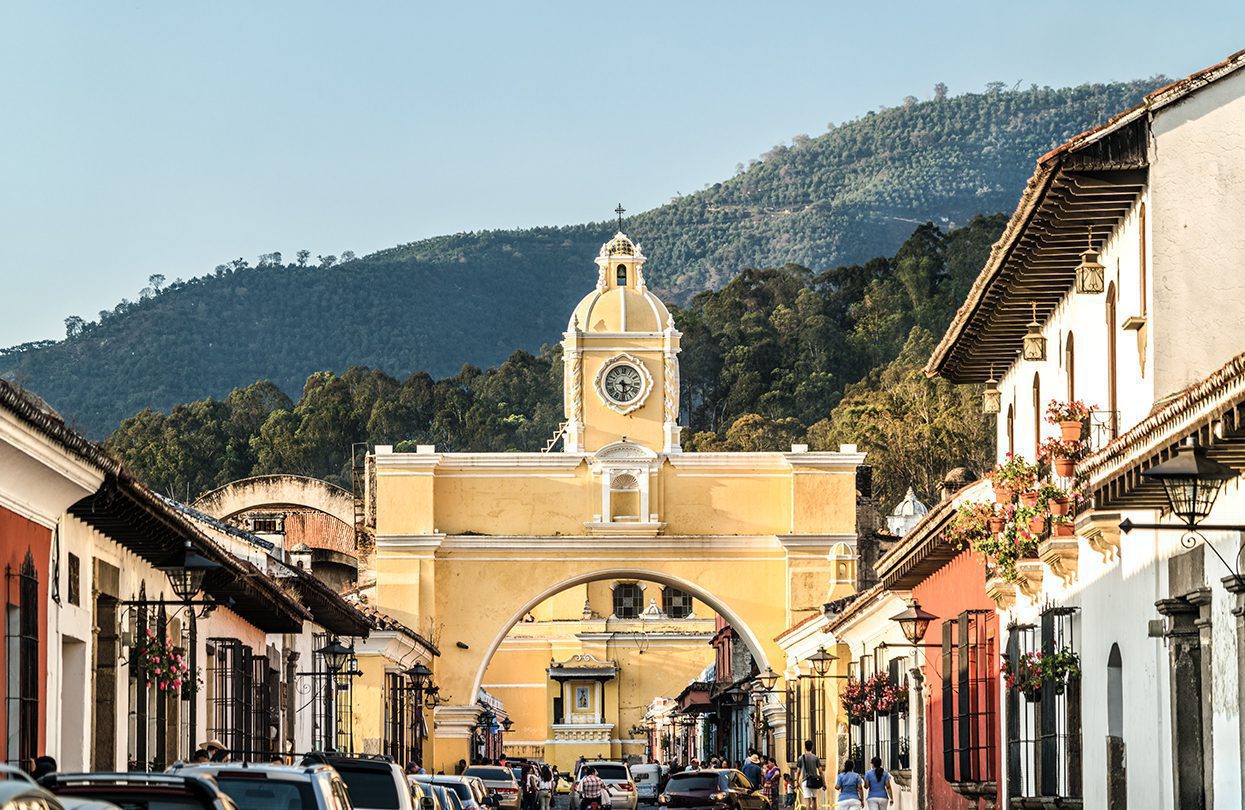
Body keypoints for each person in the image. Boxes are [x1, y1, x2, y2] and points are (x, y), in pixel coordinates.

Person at [794, 741, 823, 810]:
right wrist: (824, 783)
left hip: (805, 781)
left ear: (805, 747)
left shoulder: (801, 758)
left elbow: (798, 772)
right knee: (814, 799)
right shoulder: (815, 758)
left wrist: (796, 781)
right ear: (812, 747)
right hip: (814, 780)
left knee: (807, 800)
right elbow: (821, 771)